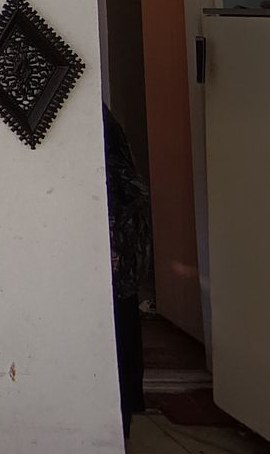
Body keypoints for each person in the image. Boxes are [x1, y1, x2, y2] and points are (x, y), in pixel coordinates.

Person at [105, 105, 152, 438]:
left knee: (115, 328)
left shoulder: (94, 122)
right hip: (112, 238)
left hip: (112, 244)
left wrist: (112, 243)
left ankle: (116, 427)